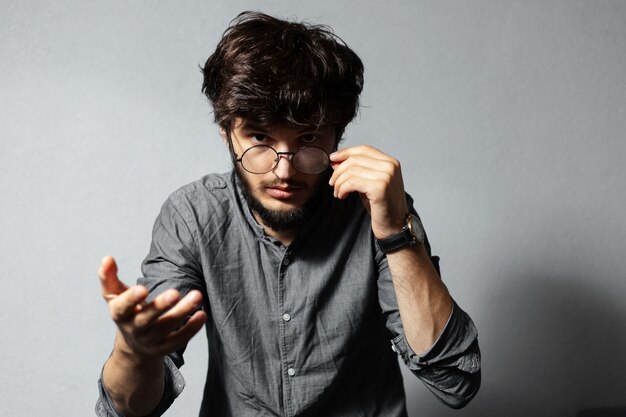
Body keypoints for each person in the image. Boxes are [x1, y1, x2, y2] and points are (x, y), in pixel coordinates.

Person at [96, 11, 481, 417]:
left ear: (338, 135)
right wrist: (133, 350)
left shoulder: (379, 210)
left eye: (309, 139)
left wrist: (395, 232)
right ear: (226, 131)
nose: (284, 170)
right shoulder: (193, 215)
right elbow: (131, 409)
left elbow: (454, 379)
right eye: (260, 138)